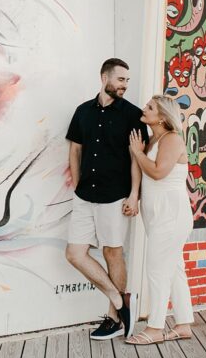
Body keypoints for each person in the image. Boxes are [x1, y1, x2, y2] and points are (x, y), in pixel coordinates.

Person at [64, 58, 149, 340]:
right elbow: (75, 151)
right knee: (75, 254)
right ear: (104, 77)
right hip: (85, 196)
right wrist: (77, 186)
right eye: (121, 79)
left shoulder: (133, 115)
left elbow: (137, 159)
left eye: (127, 81)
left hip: (115, 196)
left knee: (113, 252)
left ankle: (113, 320)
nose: (125, 85)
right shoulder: (82, 112)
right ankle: (118, 297)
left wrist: (134, 194)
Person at [125, 94, 195, 345]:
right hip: (157, 214)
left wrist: (137, 152)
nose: (144, 109)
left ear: (163, 117)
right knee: (174, 269)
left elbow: (157, 172)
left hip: (171, 214)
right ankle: (184, 323)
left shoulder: (172, 139)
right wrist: (134, 196)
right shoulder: (154, 137)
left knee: (156, 270)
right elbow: (142, 169)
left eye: (150, 107)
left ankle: (155, 328)